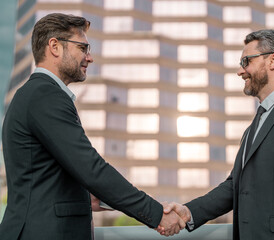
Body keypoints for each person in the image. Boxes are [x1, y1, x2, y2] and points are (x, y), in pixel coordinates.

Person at [0, 13, 184, 239]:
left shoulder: (35, 94)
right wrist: (156, 214)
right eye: (83, 48)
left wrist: (88, 196)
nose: (89, 57)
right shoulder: (45, 95)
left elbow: (45, 177)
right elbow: (91, 168)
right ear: (55, 47)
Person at [160, 29, 274, 239]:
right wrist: (189, 212)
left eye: (246, 61)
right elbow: (234, 186)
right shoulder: (252, 128)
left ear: (273, 60)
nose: (240, 71)